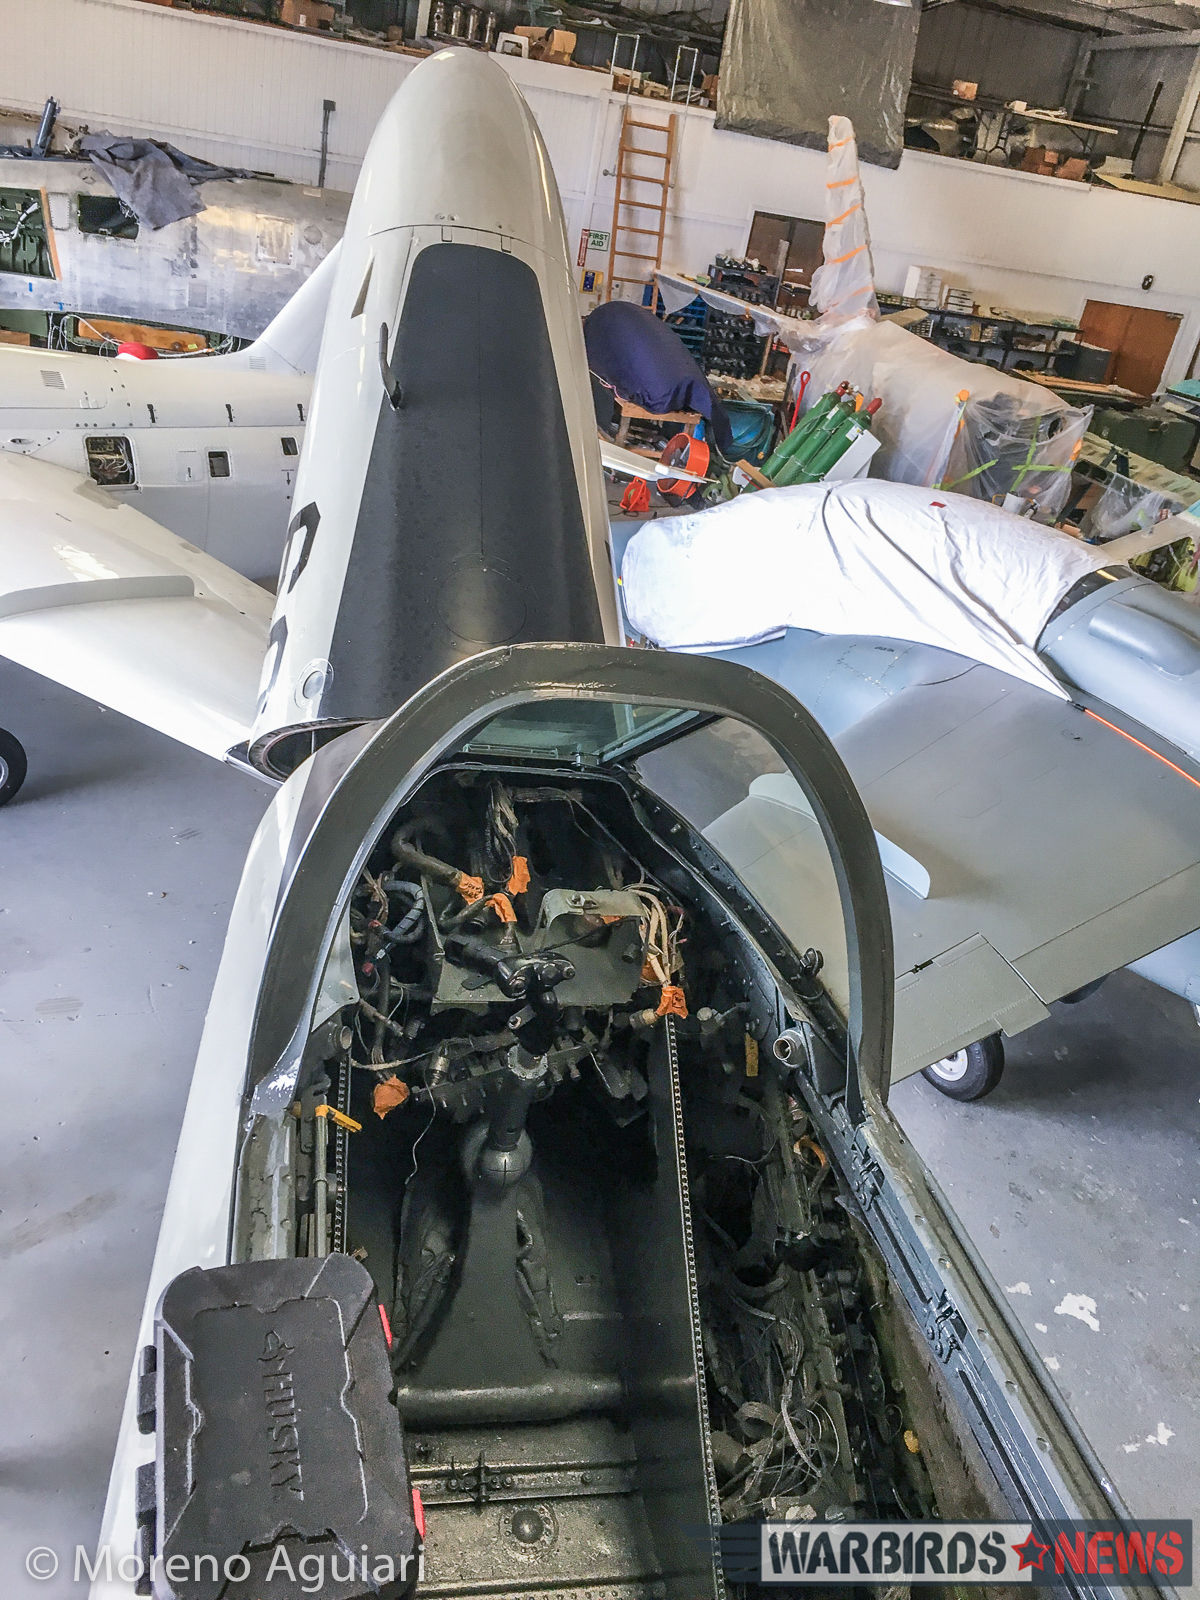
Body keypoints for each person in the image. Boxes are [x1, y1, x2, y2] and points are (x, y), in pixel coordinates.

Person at [584, 299, 734, 458]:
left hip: (661, 391)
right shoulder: (614, 314)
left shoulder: (600, 322)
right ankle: (723, 447)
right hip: (680, 379)